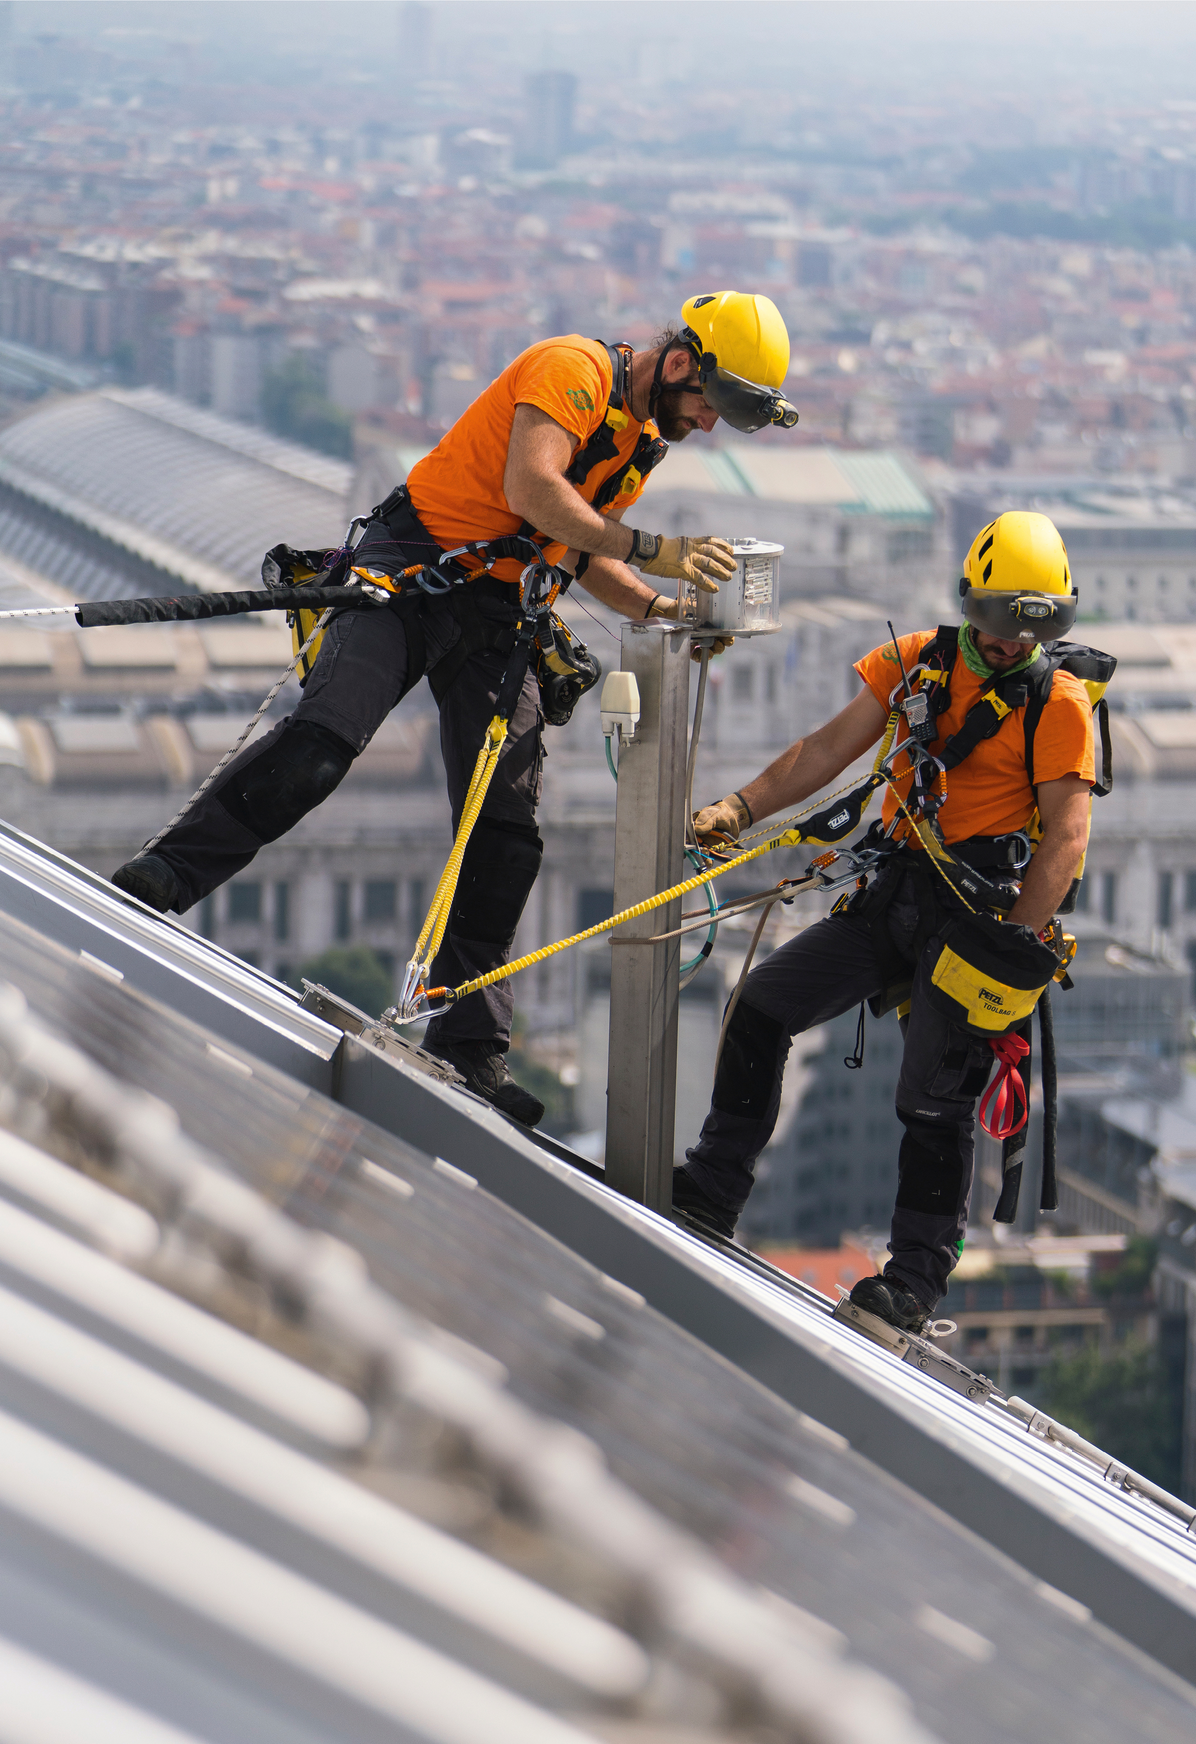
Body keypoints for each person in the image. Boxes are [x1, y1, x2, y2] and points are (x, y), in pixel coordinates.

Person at [111, 292, 798, 1125]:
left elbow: (578, 540)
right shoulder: (572, 372)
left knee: (507, 835)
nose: (708, 425)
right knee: (322, 747)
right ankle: (166, 876)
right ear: (684, 363)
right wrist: (657, 552)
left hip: (497, 611)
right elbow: (534, 488)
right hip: (414, 571)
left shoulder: (640, 441)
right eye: (708, 405)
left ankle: (469, 1039)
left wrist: (658, 608)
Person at [673, 510, 1097, 1336]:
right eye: (1000, 626)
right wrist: (740, 807)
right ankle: (713, 1187)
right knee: (760, 1007)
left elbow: (1066, 840)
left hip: (978, 920)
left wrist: (1007, 950)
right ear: (971, 606)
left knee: (934, 1100)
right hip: (895, 891)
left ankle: (913, 1280)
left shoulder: (1059, 705)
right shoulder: (916, 668)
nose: (1011, 644)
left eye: (1028, 630)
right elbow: (826, 749)